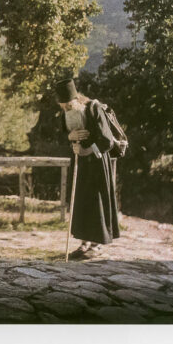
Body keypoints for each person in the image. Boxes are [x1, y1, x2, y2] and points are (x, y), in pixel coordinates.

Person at [55, 78, 120, 260]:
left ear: (76, 100)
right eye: (63, 107)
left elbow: (107, 140)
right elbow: (61, 134)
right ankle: (84, 243)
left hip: (97, 163)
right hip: (80, 164)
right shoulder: (66, 113)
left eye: (68, 106)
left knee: (96, 202)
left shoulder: (93, 108)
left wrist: (87, 150)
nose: (66, 110)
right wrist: (70, 137)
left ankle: (96, 245)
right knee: (81, 201)